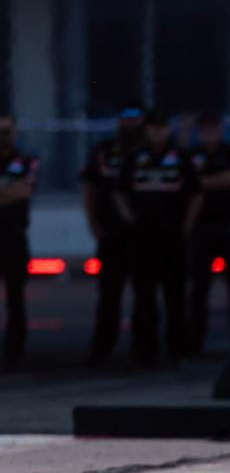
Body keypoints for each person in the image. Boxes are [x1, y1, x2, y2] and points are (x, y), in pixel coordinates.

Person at [117, 111, 200, 365]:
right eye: (153, 128)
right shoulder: (135, 158)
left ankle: (178, 349)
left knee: (175, 294)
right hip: (143, 236)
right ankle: (144, 349)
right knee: (144, 295)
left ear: (168, 129)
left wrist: (187, 223)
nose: (157, 132)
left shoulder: (181, 158)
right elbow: (118, 191)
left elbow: (197, 192)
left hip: (173, 235)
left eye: (161, 127)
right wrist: (128, 216)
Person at [81, 102, 144, 365]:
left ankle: (144, 349)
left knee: (146, 294)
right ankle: (102, 348)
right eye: (123, 118)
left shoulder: (153, 152)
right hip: (111, 233)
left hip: (145, 236)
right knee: (108, 294)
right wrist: (92, 222)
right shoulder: (104, 151)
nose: (128, 123)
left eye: (134, 118)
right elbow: (89, 188)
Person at [186, 112, 230, 354]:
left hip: (229, 225)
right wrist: (218, 181)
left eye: (214, 128)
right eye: (205, 129)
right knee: (199, 287)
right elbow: (190, 181)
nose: (210, 134)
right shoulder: (192, 155)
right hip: (201, 226)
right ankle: (193, 341)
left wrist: (205, 181)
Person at [0, 115, 37, 369]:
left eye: (8, 130)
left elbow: (25, 190)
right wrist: (9, 192)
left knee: (16, 297)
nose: (4, 135)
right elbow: (16, 191)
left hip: (14, 235)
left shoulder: (27, 161)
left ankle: (15, 352)